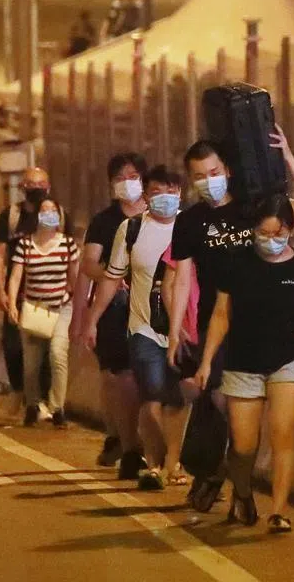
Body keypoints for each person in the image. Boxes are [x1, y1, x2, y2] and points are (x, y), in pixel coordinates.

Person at [166, 127, 294, 511]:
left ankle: (236, 486)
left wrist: (286, 156)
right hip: (215, 322)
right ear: (191, 179)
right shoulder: (189, 222)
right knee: (221, 401)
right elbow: (182, 276)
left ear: (228, 171)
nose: (209, 181)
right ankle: (220, 471)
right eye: (200, 176)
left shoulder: (254, 207)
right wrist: (174, 331)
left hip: (261, 325)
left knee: (242, 415)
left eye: (214, 172)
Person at [195, 195, 294, 531]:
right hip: (242, 363)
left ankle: (280, 511)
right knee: (243, 444)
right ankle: (242, 492)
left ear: (290, 229)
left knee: (283, 434)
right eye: (263, 232)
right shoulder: (237, 263)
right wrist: (206, 360)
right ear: (253, 230)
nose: (271, 240)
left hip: (288, 362)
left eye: (278, 232)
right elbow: (221, 314)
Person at [89, 166, 195, 490]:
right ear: (146, 196)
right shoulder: (132, 229)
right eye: (158, 191)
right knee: (151, 398)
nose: (166, 198)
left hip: (186, 331)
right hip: (144, 330)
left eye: (172, 191)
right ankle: (154, 463)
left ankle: (173, 462)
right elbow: (111, 279)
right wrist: (92, 319)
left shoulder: (191, 228)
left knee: (178, 401)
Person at [70, 152, 149, 476]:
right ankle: (130, 448)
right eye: (119, 178)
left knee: (151, 383)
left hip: (156, 310)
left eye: (132, 176)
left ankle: (138, 444)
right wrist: (112, 277)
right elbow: (88, 265)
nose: (126, 184)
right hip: (115, 310)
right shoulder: (104, 222)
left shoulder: (162, 216)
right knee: (121, 378)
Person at [0, 167, 72, 401]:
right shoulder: (12, 216)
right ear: (22, 188)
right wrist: (1, 290)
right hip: (20, 294)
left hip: (52, 293)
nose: (36, 190)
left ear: (48, 187)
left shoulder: (59, 215)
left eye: (40, 185)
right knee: (14, 346)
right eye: (30, 185)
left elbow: (68, 249)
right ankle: (21, 393)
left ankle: (45, 400)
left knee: (50, 350)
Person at [6, 195, 79, 427]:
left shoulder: (68, 244)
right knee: (31, 364)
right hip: (34, 309)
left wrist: (81, 308)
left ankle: (58, 407)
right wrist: (11, 303)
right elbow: (16, 275)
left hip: (61, 307)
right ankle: (32, 405)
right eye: (44, 210)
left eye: (53, 210)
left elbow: (75, 278)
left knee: (58, 354)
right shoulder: (25, 245)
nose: (49, 214)